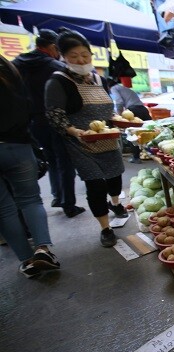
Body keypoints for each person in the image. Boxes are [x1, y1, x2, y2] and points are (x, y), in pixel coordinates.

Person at [44, 29, 128, 248]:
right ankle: (105, 228)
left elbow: (109, 109)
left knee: (115, 177)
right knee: (95, 185)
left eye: (85, 55)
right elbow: (54, 115)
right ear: (62, 56)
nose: (80, 60)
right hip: (82, 143)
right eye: (74, 56)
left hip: (108, 139)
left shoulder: (100, 79)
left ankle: (116, 203)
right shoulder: (58, 81)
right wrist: (76, 132)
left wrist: (118, 119)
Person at [12, 29, 84, 218]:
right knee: (65, 162)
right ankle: (68, 203)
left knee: (50, 159)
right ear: (53, 47)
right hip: (57, 120)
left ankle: (56, 195)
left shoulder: (17, 64)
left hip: (33, 121)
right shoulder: (55, 67)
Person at [0, 55, 61, 278]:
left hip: (17, 143)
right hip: (18, 144)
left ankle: (27, 262)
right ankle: (42, 250)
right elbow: (28, 106)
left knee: (4, 209)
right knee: (30, 200)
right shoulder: (7, 68)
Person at [108, 79, 151, 164]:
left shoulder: (114, 88)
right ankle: (152, 152)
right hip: (143, 109)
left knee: (132, 133)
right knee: (149, 130)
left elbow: (119, 102)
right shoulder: (124, 88)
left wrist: (120, 115)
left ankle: (136, 157)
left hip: (133, 110)